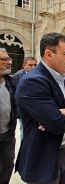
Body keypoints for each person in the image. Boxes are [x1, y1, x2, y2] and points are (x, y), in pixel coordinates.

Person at [15, 32, 65, 184]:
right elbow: (58, 124)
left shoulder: (63, 78)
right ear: (49, 54)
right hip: (44, 156)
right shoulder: (33, 82)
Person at [0, 48, 17, 184]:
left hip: (7, 132)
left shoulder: (10, 82)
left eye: (9, 59)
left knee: (8, 165)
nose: (9, 62)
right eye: (4, 60)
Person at [12, 56, 37, 140]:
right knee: (24, 130)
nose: (33, 67)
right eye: (30, 65)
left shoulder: (40, 76)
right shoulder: (16, 77)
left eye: (35, 65)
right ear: (24, 65)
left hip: (36, 110)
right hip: (22, 110)